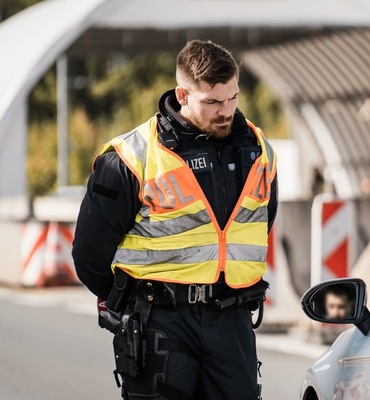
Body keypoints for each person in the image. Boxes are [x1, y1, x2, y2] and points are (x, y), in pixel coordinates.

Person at [72, 40, 278, 400]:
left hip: (231, 319)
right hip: (160, 319)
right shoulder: (130, 157)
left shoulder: (258, 150)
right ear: (182, 95)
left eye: (232, 97)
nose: (226, 111)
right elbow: (90, 254)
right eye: (212, 102)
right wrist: (132, 302)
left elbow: (260, 223)